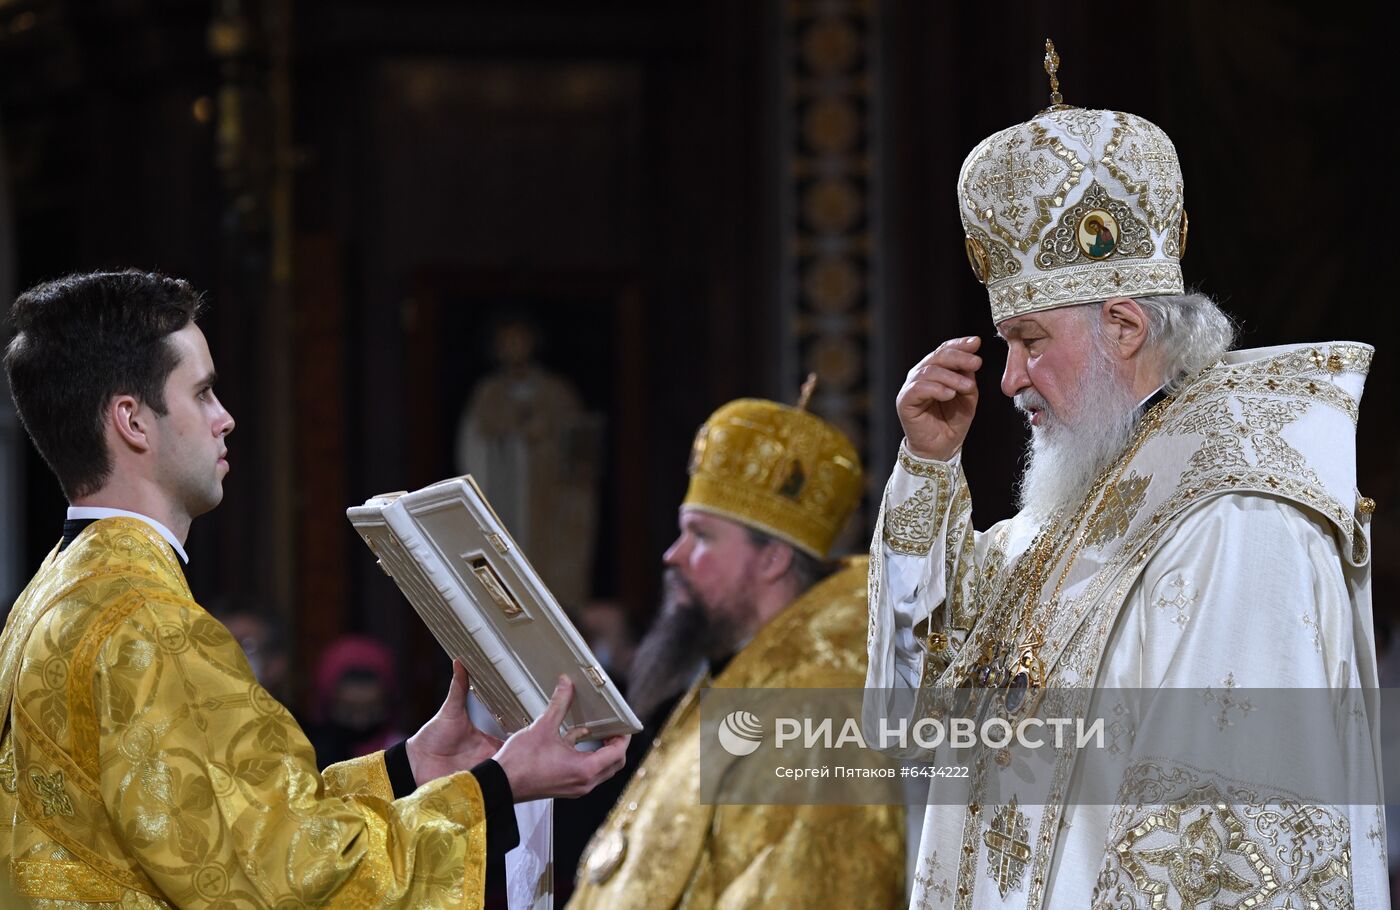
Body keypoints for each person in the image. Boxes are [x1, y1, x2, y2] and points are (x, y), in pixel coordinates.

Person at [863, 42, 1386, 909]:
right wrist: (926, 467)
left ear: (1125, 327)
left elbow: (1224, 847)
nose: (1009, 379)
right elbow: (906, 715)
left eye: (1030, 342)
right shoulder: (1068, 516)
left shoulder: (1238, 514)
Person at [0, 269, 629, 908]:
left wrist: (408, 770)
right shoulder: (151, 624)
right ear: (132, 421)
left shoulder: (52, 595)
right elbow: (284, 883)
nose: (226, 419)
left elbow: (233, 831)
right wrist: (497, 788)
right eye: (203, 394)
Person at [568, 392, 905, 910]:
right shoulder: (736, 675)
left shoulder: (823, 713)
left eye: (700, 536)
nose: (673, 555)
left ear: (771, 558)